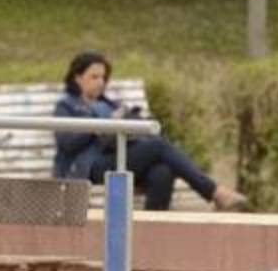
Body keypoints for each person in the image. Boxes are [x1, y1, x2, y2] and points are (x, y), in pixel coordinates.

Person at [53, 51, 246, 211]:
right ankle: (213, 191)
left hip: (119, 157)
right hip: (89, 166)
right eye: (94, 77)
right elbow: (66, 143)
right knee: (158, 146)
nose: (101, 82)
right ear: (77, 77)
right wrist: (98, 127)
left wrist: (127, 120)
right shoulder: (67, 106)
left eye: (103, 77)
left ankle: (153, 233)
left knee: (162, 171)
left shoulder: (109, 103)